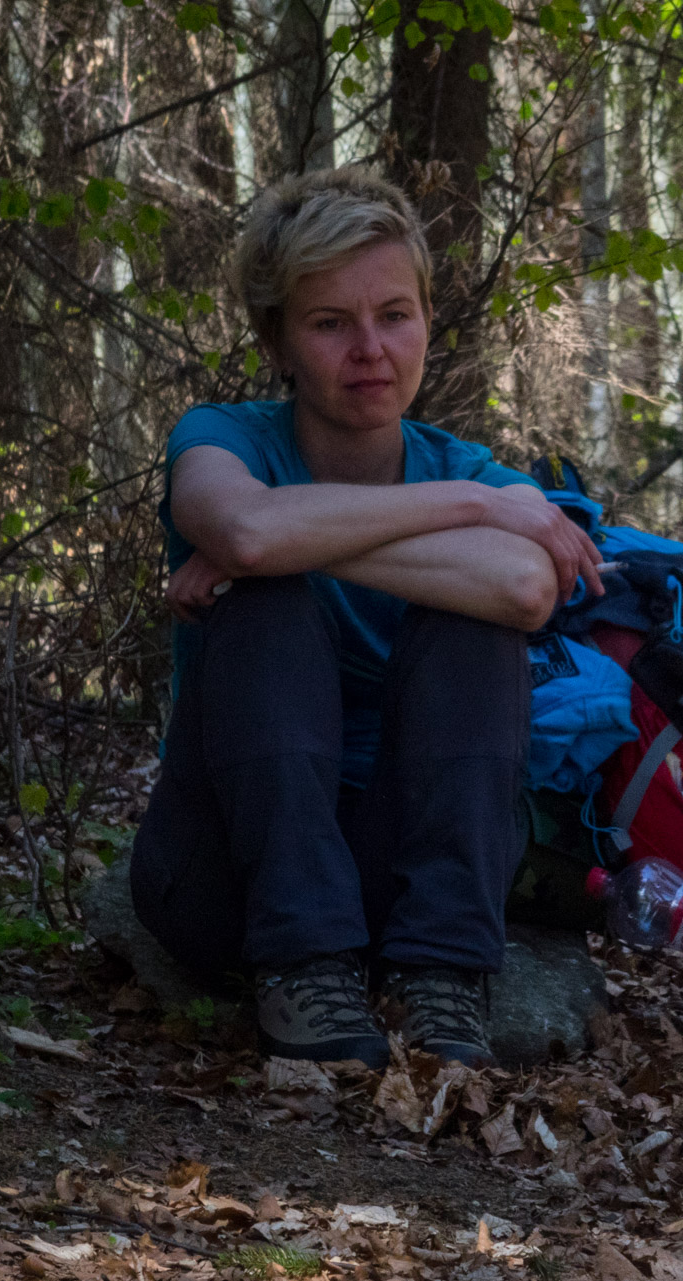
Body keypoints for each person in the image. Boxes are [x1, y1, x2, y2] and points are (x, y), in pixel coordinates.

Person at [129, 167, 604, 1069]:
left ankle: (442, 974)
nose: (371, 350)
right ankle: (303, 962)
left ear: (427, 321)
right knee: (265, 602)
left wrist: (275, 537)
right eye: (329, 323)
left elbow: (523, 590)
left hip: (398, 872)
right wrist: (463, 509)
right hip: (225, 870)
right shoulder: (222, 438)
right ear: (278, 342)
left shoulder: (461, 465)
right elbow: (242, 526)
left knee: (473, 620)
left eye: (395, 314)